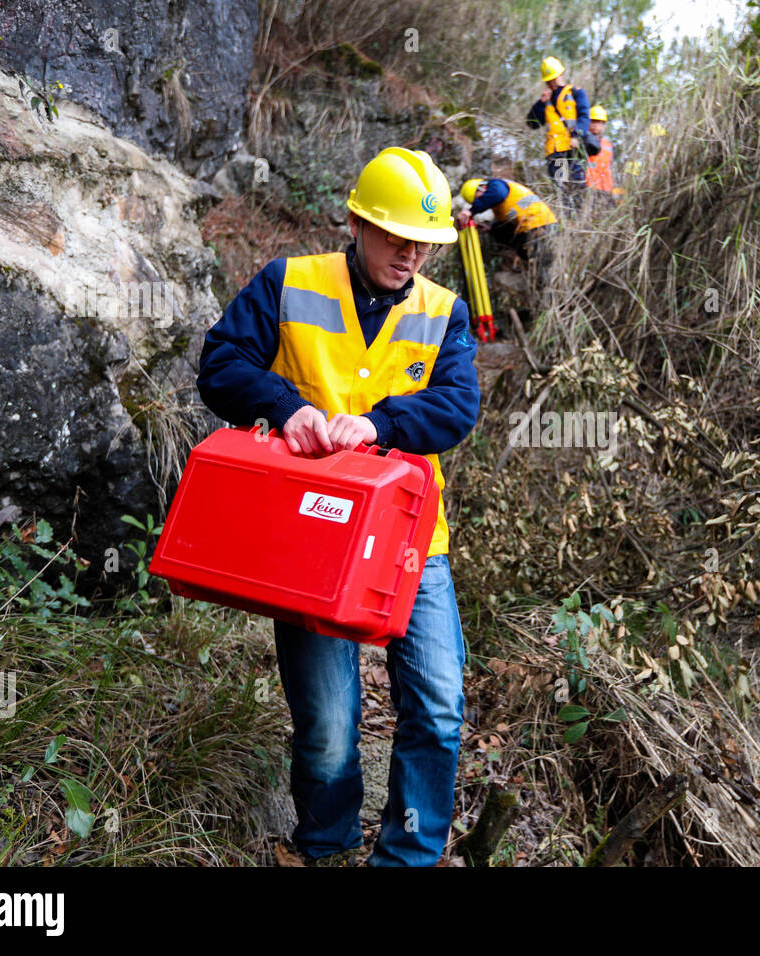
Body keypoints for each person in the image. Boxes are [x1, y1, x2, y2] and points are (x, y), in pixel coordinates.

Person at [195, 147, 480, 867]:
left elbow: (457, 407)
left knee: (440, 706)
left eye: (423, 242)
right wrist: (284, 408)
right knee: (325, 723)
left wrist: (383, 423)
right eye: (394, 236)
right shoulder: (289, 283)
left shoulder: (444, 312)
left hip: (413, 541)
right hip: (310, 539)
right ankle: (324, 848)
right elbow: (222, 362)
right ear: (355, 222)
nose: (410, 253)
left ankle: (406, 856)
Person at [456, 177, 557, 285]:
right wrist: (490, 229)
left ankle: (547, 286)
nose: (480, 203)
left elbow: (498, 194)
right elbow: (507, 223)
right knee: (497, 229)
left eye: (478, 199)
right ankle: (532, 276)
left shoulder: (496, 185)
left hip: (541, 223)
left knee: (542, 263)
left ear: (483, 188)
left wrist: (471, 211)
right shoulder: (499, 204)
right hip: (528, 227)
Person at [525, 55, 594, 213]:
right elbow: (532, 123)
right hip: (556, 153)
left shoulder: (576, 93)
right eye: (548, 80)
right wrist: (541, 104)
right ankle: (565, 220)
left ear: (561, 74)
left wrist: (577, 136)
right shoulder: (546, 100)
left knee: (577, 186)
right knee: (561, 188)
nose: (552, 83)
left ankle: (577, 219)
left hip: (573, 151)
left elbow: (584, 117)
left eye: (554, 78)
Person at [584, 104, 619, 207]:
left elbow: (611, 167)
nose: (595, 125)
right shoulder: (581, 141)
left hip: (606, 189)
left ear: (603, 125)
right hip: (588, 187)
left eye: (599, 122)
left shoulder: (608, 144)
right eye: (593, 121)